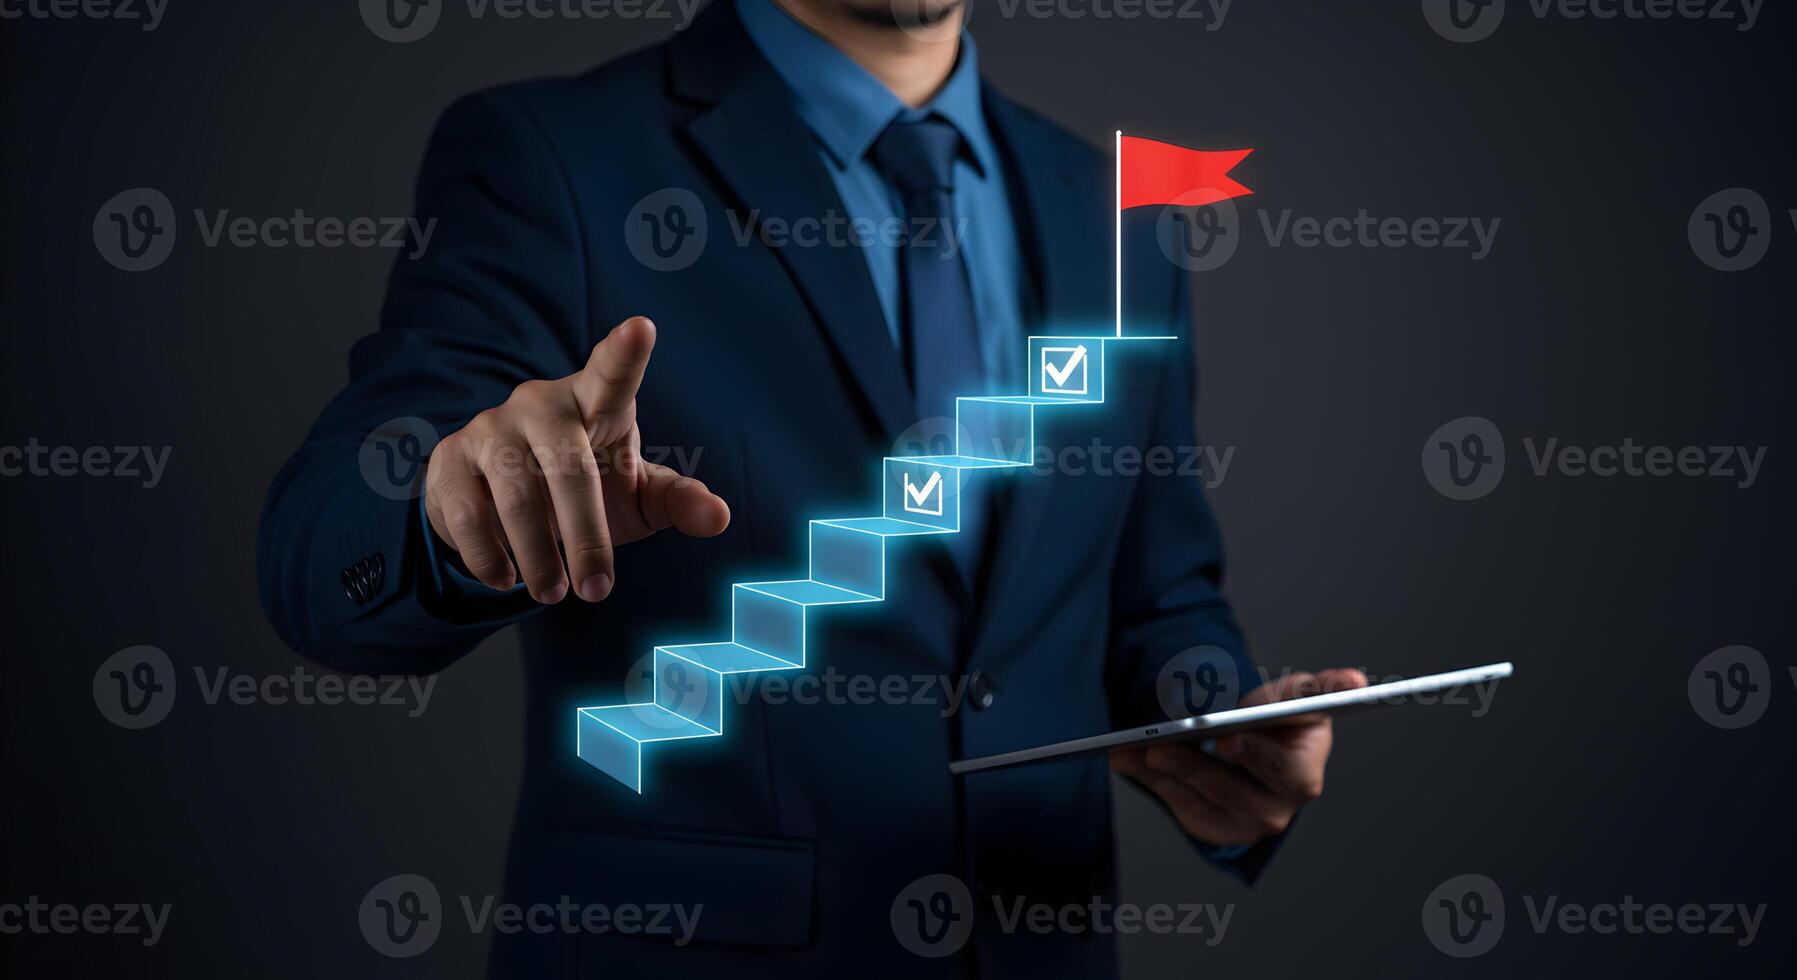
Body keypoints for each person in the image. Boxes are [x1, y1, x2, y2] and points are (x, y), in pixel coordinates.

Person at [258, 0, 1367, 974]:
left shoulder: (1111, 207)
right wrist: (455, 514)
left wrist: (1220, 717)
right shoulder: (552, 153)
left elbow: (1157, 593)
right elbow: (323, 557)